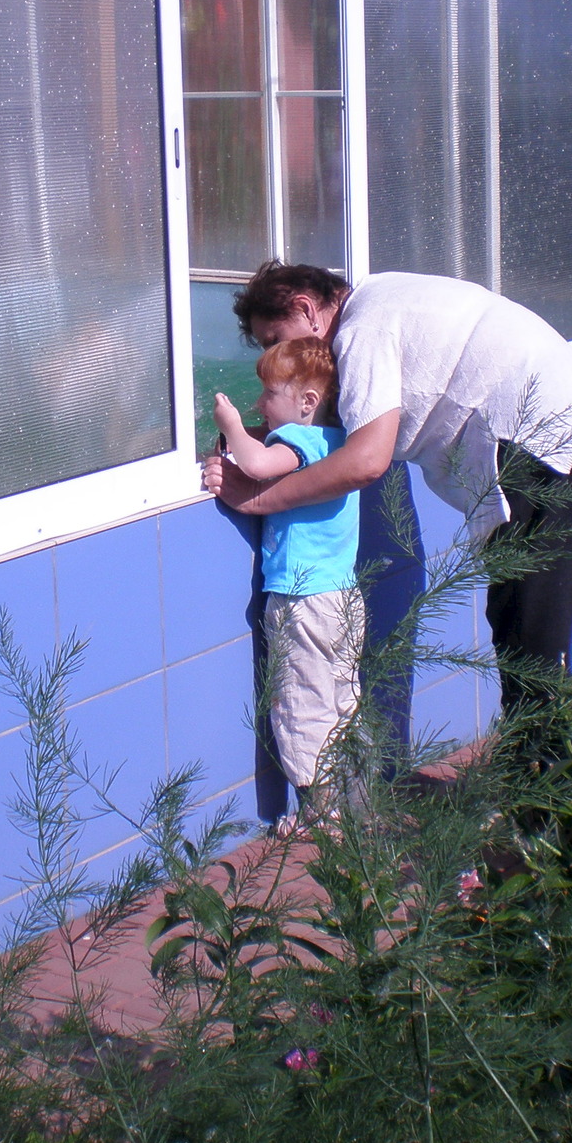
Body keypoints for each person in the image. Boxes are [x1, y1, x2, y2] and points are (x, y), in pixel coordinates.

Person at [203, 262, 572, 710]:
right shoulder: (381, 300)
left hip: (544, 442)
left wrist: (260, 498)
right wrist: (251, 439)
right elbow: (329, 422)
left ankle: (547, 766)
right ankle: (546, 759)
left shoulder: (364, 329)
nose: (281, 355)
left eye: (275, 340)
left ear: (307, 310)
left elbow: (365, 460)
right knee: (525, 624)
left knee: (530, 635)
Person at [212, 336, 365, 820]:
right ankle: (351, 800)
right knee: (340, 699)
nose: (260, 403)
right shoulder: (337, 442)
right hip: (341, 597)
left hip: (303, 602)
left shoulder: (295, 441)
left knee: (301, 704)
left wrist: (230, 425)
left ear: (306, 403)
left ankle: (322, 816)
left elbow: (257, 464)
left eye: (268, 394)